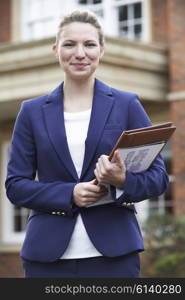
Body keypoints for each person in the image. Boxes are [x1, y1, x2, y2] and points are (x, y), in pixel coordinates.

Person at [5, 10, 169, 278]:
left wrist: (122, 179)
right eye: (69, 44)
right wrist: (69, 194)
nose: (80, 53)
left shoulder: (127, 105)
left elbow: (158, 178)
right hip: (47, 257)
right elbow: (16, 186)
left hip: (115, 255)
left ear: (102, 50)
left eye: (89, 44)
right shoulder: (31, 112)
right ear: (56, 49)